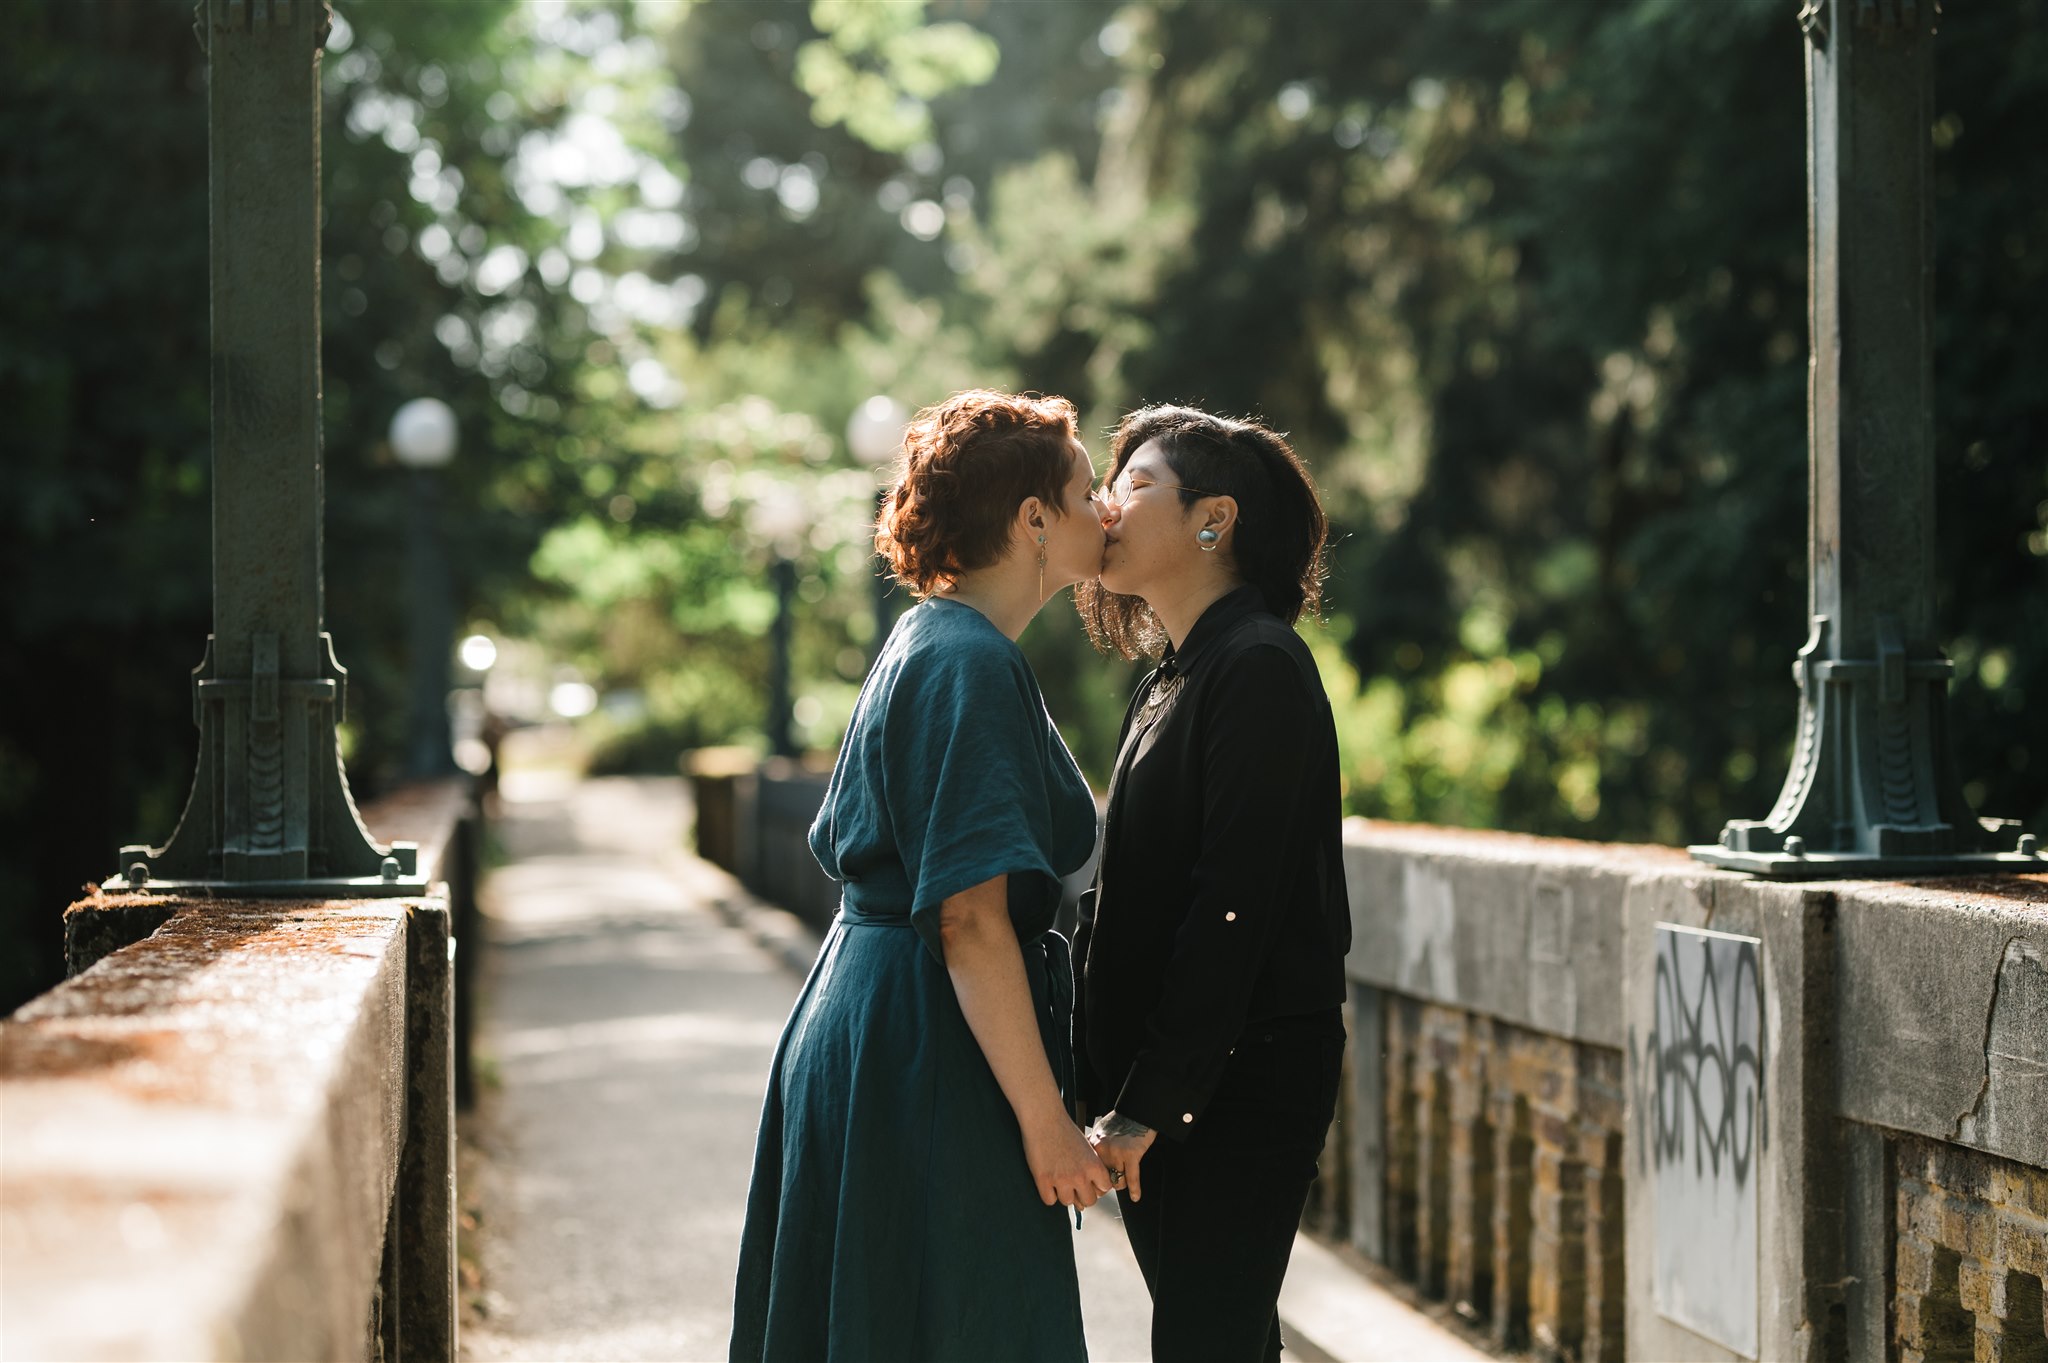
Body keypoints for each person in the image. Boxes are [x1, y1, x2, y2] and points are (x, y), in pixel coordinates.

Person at [731, 389, 1112, 1363]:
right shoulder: (966, 661)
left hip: (884, 1021)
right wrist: (1045, 1122)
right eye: (1085, 490)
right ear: (1032, 518)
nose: (1104, 508)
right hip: (924, 1044)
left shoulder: (933, 639)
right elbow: (970, 921)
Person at [1072, 404, 1351, 1363]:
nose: (1107, 505)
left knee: (1209, 1337)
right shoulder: (1170, 676)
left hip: (1238, 1085)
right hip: (1175, 1082)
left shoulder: (1259, 665)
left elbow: (1233, 906)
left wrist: (1153, 1101)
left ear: (1213, 518)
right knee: (1209, 1334)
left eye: (1136, 483)